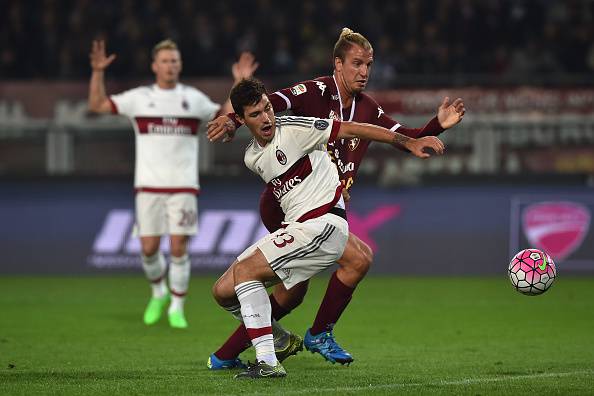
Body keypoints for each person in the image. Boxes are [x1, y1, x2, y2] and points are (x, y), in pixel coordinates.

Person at [206, 28, 465, 366]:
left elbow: (406, 137)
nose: (364, 72)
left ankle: (228, 355)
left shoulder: (368, 108)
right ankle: (311, 336)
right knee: (335, 269)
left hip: (323, 207)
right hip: (292, 205)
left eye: (369, 65)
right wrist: (231, 120)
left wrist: (437, 125)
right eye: (357, 64)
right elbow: (272, 102)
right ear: (337, 64)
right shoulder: (315, 91)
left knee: (311, 284)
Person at [87, 39, 258, 328]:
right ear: (155, 66)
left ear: (180, 65)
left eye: (175, 61)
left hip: (183, 186)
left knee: (179, 245)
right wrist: (97, 72)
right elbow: (97, 104)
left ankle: (177, 306)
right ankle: (159, 293)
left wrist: (239, 84)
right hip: (148, 187)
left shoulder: (192, 99)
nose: (171, 65)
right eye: (165, 61)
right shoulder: (139, 98)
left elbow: (223, 116)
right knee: (149, 248)